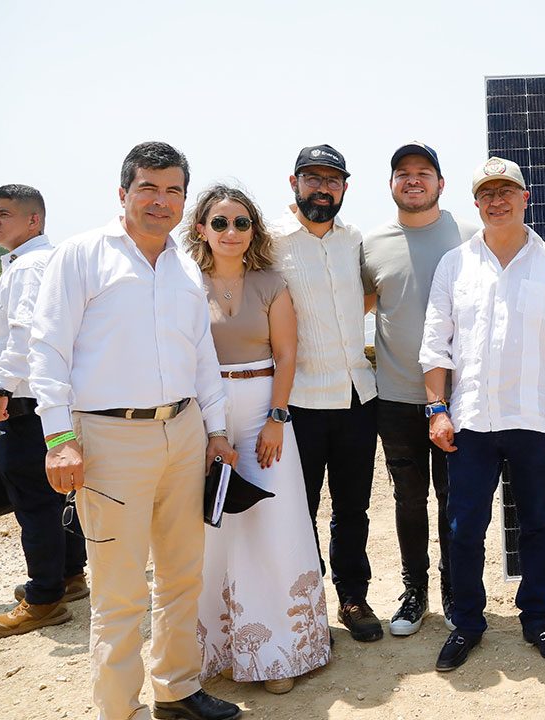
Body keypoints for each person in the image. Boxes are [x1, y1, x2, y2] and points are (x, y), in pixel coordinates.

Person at [28, 142, 241, 720]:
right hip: (108, 441)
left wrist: (217, 432)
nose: (161, 200)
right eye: (149, 187)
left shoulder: (183, 270)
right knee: (118, 593)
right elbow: (47, 351)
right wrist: (57, 438)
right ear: (123, 193)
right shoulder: (80, 256)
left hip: (186, 432)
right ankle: (117, 711)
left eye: (174, 190)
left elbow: (201, 358)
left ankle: (176, 691)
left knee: (181, 577)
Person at [419, 157, 545, 671]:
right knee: (464, 526)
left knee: (536, 524)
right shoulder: (455, 264)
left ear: (525, 197)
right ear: (476, 202)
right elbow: (434, 344)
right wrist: (437, 409)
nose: (497, 200)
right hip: (469, 420)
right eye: (487, 193)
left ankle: (537, 618)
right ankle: (467, 622)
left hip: (535, 418)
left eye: (506, 190)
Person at [184, 185, 330, 695]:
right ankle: (223, 650)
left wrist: (277, 418)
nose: (231, 232)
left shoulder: (271, 282)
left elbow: (287, 355)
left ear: (254, 231)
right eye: (219, 222)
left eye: (241, 223)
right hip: (205, 421)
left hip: (264, 416)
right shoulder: (183, 283)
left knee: (273, 524)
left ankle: (279, 653)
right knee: (213, 532)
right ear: (201, 228)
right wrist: (208, 430)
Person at [361, 141, 478, 636]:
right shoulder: (370, 246)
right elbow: (355, 312)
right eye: (403, 173)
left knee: (456, 499)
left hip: (461, 398)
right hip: (395, 397)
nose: (413, 180)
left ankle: (455, 590)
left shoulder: (471, 235)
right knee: (409, 500)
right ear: (391, 185)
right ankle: (415, 593)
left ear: (440, 184)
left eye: (423, 172)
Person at [270, 144, 381, 642]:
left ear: (344, 188)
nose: (322, 187)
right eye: (312, 178)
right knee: (301, 508)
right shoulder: (268, 242)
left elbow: (369, 291)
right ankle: (308, 602)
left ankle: (353, 598)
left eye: (332, 180)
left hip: (358, 395)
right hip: (300, 402)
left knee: (353, 507)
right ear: (293, 183)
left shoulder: (354, 240)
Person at [0, 184, 89, 638]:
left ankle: (45, 599)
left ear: (34, 221)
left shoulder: (28, 267)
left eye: (3, 214)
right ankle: (69, 575)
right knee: (54, 495)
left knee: (32, 502)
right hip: (46, 402)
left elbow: (24, 336)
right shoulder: (44, 261)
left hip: (20, 404)